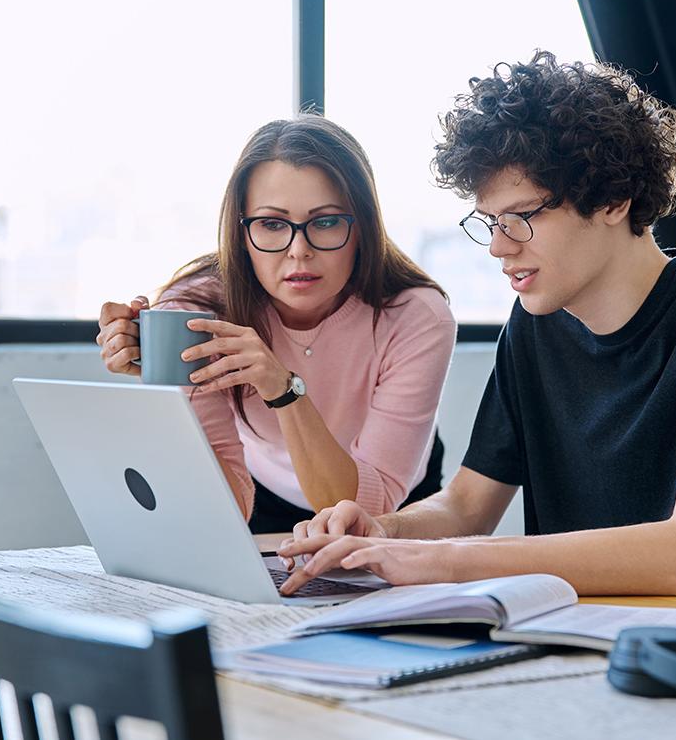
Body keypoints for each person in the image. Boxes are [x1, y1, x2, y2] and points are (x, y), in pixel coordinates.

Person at [278, 51, 676, 607]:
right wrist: (384, 532)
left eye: (523, 216)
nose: (499, 246)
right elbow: (467, 507)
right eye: (490, 222)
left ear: (615, 198)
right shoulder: (537, 327)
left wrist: (445, 561)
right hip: (580, 641)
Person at [95, 115, 456, 532]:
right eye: (271, 224)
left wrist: (283, 389)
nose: (298, 251)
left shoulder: (416, 316)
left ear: (363, 228)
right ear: (241, 230)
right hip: (260, 491)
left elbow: (365, 508)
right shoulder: (196, 309)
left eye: (325, 221)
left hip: (388, 496)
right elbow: (219, 509)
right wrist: (167, 382)